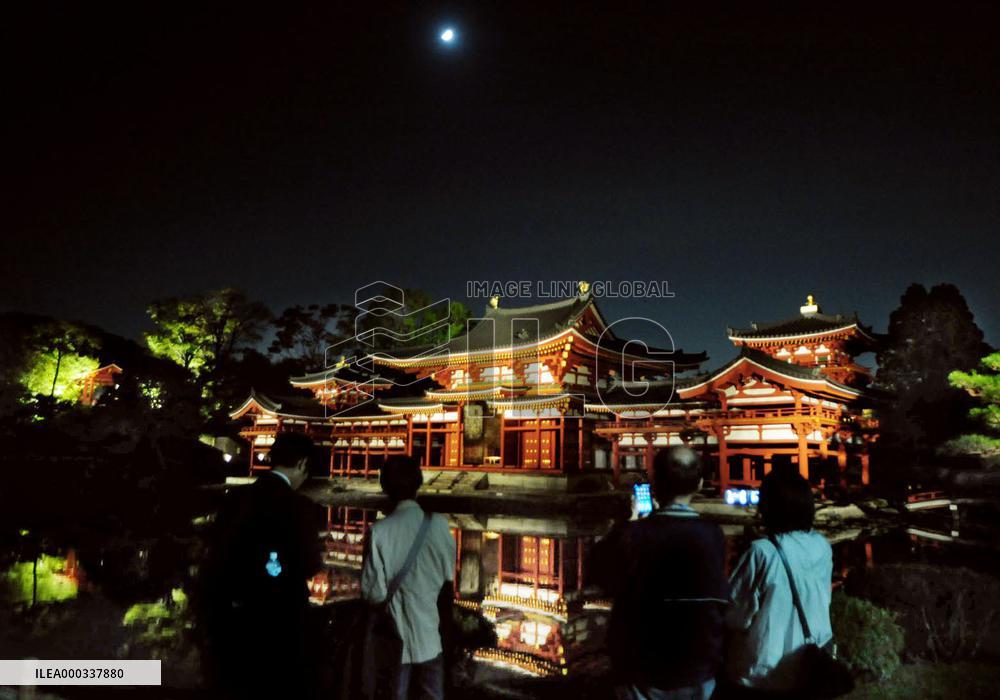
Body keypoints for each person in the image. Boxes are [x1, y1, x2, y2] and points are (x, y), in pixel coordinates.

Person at [592, 446, 728, 700]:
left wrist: (628, 524)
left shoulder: (634, 534)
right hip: (697, 662)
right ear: (699, 484)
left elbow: (598, 572)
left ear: (655, 482)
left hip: (642, 663)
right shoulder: (713, 534)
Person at [199, 432, 324, 698]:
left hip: (235, 612)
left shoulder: (235, 498)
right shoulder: (300, 506)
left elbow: (216, 552)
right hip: (282, 616)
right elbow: (311, 564)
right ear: (302, 464)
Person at [723, 467, 833, 695]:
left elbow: (735, 613)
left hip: (765, 670)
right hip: (809, 664)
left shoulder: (761, 552)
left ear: (768, 508)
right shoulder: (821, 545)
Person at [361, 455, 456, 700]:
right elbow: (447, 579)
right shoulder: (439, 525)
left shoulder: (379, 533)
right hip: (431, 637)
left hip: (394, 641)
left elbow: (374, 594)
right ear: (418, 483)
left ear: (385, 487)